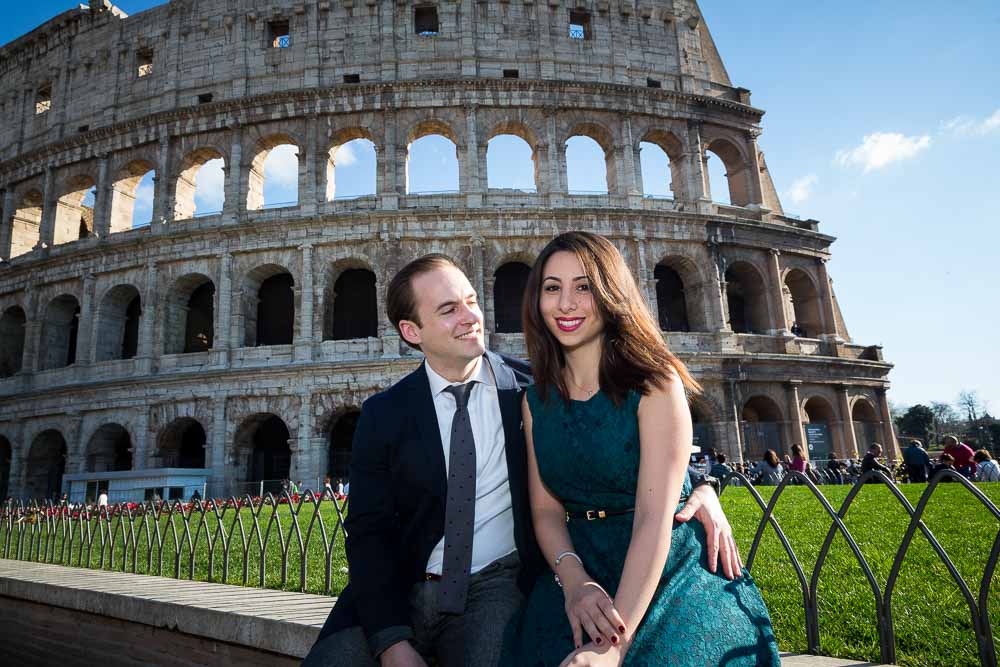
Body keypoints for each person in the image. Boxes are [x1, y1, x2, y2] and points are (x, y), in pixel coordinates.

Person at [303, 253, 736, 667]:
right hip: (400, 586)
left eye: (471, 301)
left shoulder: (533, 390)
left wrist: (702, 486)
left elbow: (621, 438)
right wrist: (391, 642)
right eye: (449, 309)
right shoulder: (384, 413)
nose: (472, 316)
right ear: (412, 331)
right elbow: (367, 532)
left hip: (495, 588)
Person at [502, 232, 778, 666]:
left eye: (584, 287)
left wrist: (612, 650)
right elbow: (546, 512)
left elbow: (654, 519)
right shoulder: (536, 400)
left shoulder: (655, 381)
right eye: (552, 288)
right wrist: (575, 582)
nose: (566, 303)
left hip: (667, 565)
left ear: (611, 293)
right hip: (579, 563)